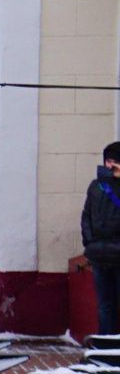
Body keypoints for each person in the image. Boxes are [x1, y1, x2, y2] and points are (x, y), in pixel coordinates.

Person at [83, 141, 120, 337]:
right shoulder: (96, 186)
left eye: (115, 161)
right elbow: (86, 215)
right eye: (108, 161)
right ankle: (106, 343)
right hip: (99, 255)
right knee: (105, 305)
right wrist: (90, 242)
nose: (110, 166)